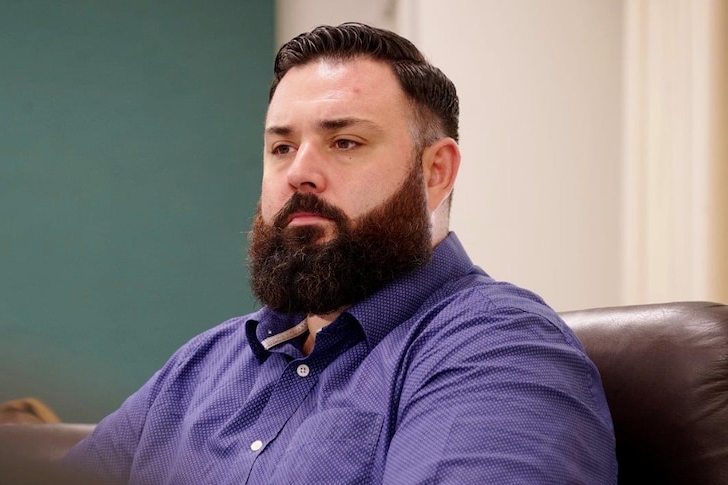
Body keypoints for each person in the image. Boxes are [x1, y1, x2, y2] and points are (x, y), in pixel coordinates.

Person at [64, 23, 618, 483]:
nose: (299, 171)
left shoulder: (499, 349)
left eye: (343, 142)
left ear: (435, 172)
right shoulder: (202, 368)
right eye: (282, 147)